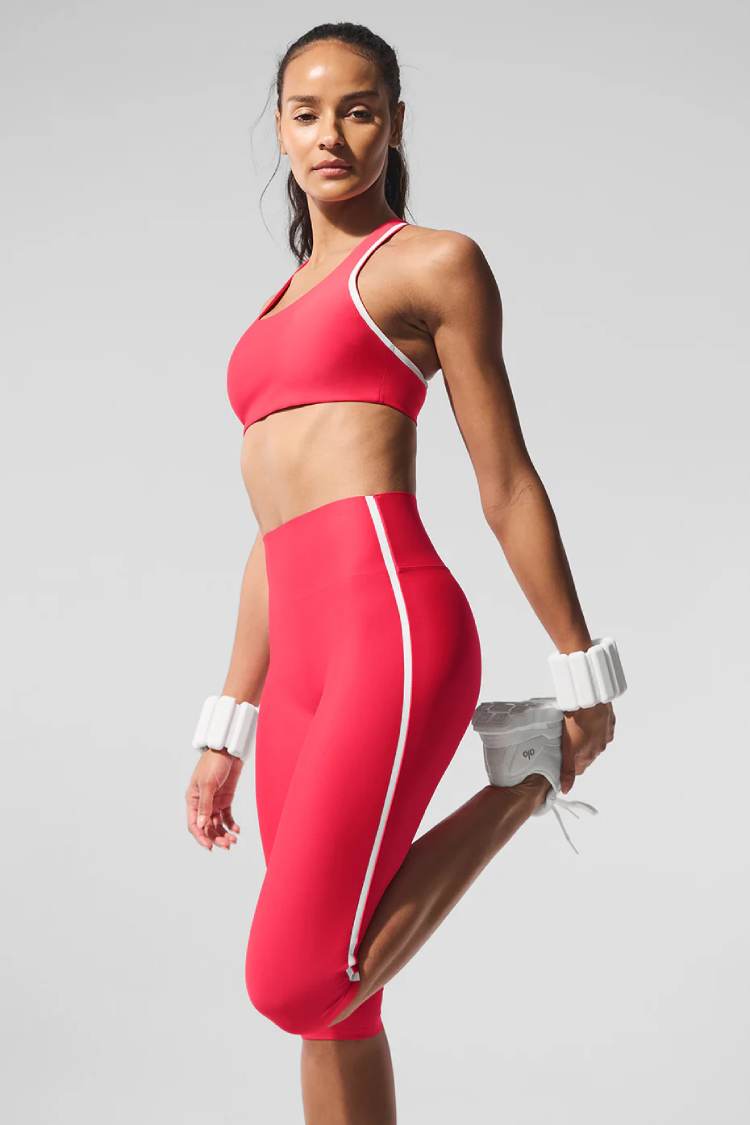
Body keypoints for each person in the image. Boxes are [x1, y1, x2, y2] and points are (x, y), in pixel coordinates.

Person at [184, 20, 616, 1125]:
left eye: (359, 109)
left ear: (396, 123)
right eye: (307, 112)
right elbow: (272, 534)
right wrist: (226, 723)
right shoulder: (272, 311)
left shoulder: (431, 264)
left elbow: (506, 480)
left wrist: (582, 671)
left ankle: (525, 777)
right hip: (300, 666)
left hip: (394, 632)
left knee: (296, 980)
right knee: (339, 1009)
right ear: (280, 128)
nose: (331, 134)